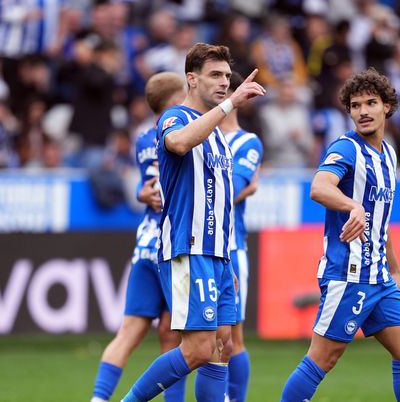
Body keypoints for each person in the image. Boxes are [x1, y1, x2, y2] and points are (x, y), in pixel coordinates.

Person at [120, 43, 265, 402]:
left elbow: (221, 203)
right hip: (188, 249)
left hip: (217, 254)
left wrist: (226, 259)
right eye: (215, 75)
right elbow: (179, 143)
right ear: (191, 78)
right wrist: (231, 104)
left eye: (227, 77)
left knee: (224, 345)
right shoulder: (174, 117)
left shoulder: (217, 136)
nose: (223, 83)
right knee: (199, 349)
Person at [280, 68, 400, 402]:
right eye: (356, 105)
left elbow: (381, 222)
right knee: (322, 358)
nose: (363, 111)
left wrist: (395, 268)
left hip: (379, 277)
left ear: (387, 106)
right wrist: (352, 206)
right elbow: (318, 187)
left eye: (371, 103)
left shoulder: (388, 154)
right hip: (348, 276)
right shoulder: (346, 149)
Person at [90, 72, 186, 402]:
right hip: (173, 243)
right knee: (178, 339)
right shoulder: (181, 133)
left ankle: (98, 399)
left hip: (145, 239)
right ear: (176, 101)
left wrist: (141, 194)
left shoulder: (143, 138)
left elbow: (148, 184)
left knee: (129, 333)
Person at [220, 72, 264, 402]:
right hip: (194, 246)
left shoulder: (247, 142)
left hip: (230, 247)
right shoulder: (199, 137)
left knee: (232, 336)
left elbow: (232, 189)